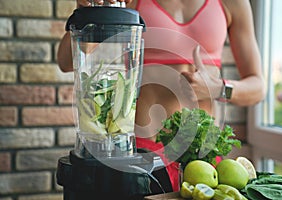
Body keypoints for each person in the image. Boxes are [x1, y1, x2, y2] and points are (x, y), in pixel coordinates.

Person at [57, 0, 265, 192]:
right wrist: (85, 10)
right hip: (142, 153)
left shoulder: (233, 3)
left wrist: (219, 87)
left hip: (203, 154)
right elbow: (66, 62)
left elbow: (258, 87)